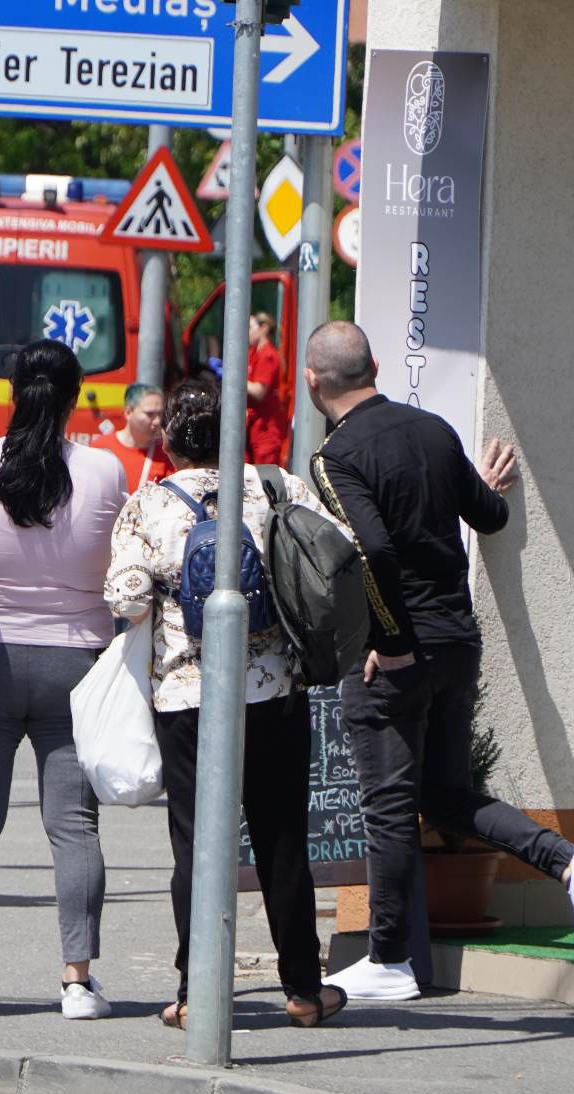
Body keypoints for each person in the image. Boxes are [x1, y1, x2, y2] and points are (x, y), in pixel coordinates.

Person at [306, 321, 574, 1003]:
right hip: (456, 640)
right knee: (446, 796)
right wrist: (484, 484)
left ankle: (390, 959)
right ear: (375, 367)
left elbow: (373, 551)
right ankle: (570, 863)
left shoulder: (335, 457)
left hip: (399, 655)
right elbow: (489, 516)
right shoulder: (433, 431)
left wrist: (386, 642)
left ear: (312, 382)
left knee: (387, 804)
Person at [106, 378, 348, 1030]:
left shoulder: (148, 505)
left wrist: (166, 587)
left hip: (187, 699)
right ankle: (303, 988)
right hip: (272, 692)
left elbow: (124, 598)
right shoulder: (276, 489)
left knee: (194, 845)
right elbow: (336, 554)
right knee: (281, 842)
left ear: (168, 439)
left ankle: (194, 994)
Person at [0, 340, 127, 1022]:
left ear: (11, 392)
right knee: (74, 828)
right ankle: (78, 982)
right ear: (78, 396)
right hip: (76, 666)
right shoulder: (104, 470)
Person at [97, 383, 173, 491]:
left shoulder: (167, 453)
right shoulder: (101, 448)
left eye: (160, 414)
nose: (157, 421)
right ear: (128, 412)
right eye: (150, 414)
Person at [245, 311, 292, 467]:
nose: (247, 332)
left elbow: (259, 391)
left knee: (263, 479)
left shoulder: (268, 356)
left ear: (263, 328)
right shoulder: (253, 353)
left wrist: (233, 378)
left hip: (265, 432)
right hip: (252, 428)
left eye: (250, 328)